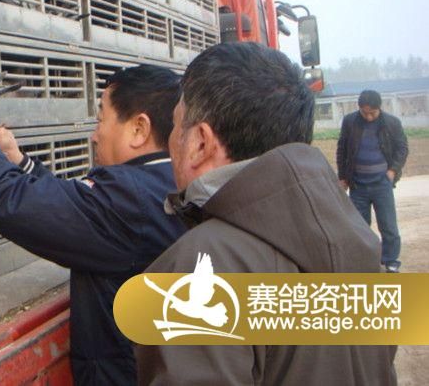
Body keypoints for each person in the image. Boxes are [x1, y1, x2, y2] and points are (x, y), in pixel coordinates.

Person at [136, 43, 396, 386]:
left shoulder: (203, 270)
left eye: (174, 125)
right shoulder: (360, 243)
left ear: (200, 142)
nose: (170, 140)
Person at [0, 65, 187, 385]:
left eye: (101, 120)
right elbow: (75, 208)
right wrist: (18, 160)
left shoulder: (131, 201)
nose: (94, 135)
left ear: (139, 129)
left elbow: (8, 200)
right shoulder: (164, 183)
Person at [336, 90, 409, 273]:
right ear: (359, 108)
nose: (368, 117)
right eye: (364, 112)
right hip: (357, 185)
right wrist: (343, 177)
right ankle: (363, 260)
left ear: (379, 108)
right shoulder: (350, 122)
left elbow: (402, 148)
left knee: (388, 226)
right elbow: (342, 149)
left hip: (381, 184)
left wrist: (392, 171)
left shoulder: (391, 123)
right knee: (359, 226)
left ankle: (390, 261)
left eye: (372, 113)